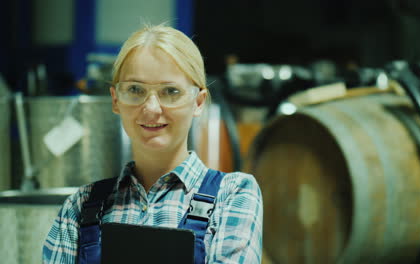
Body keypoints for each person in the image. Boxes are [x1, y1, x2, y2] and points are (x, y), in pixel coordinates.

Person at [43, 23, 263, 263]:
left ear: (198, 102)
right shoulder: (80, 207)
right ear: (116, 100)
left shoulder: (232, 195)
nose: (151, 108)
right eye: (135, 89)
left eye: (170, 91)